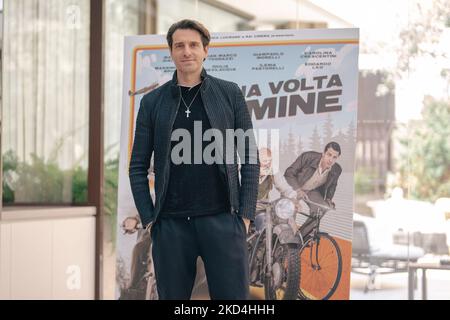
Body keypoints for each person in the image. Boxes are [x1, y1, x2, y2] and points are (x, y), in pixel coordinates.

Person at [128, 19, 259, 300]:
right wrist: (151, 220)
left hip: (223, 221)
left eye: (193, 45)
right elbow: (137, 167)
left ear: (205, 51)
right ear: (171, 53)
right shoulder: (152, 103)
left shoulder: (230, 94)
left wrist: (245, 216)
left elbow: (249, 156)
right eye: (179, 46)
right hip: (171, 226)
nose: (187, 51)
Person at [284, 142, 342, 236]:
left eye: (334, 157)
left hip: (311, 190)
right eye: (329, 155)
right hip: (293, 187)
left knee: (322, 208)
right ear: (323, 153)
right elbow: (289, 173)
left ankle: (300, 238)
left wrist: (328, 199)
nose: (331, 159)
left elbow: (332, 186)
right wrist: (298, 190)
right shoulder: (308, 157)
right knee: (287, 221)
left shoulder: (337, 169)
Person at [256, 147, 296, 212]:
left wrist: (293, 198)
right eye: (265, 161)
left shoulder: (273, 170)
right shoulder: (246, 171)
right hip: (245, 209)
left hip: (263, 209)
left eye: (270, 161)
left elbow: (285, 188)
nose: (268, 165)